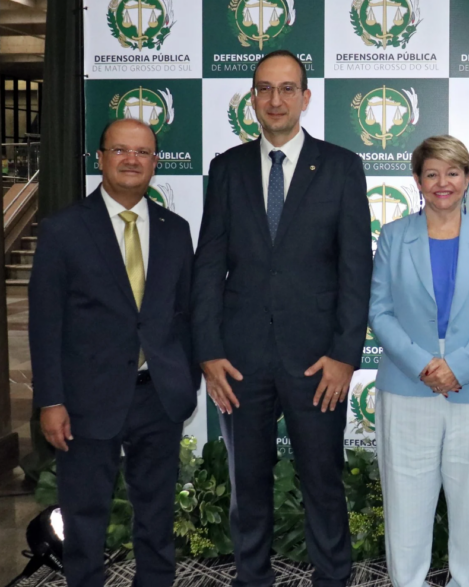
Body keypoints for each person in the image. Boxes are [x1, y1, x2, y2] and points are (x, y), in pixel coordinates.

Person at [191, 49, 372, 586]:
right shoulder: (226, 169)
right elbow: (208, 266)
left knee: (322, 479)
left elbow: (355, 270)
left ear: (306, 98)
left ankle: (332, 578)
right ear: (252, 99)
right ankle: (253, 579)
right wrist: (208, 351)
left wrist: (344, 356)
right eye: (265, 89)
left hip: (318, 361)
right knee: (247, 483)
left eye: (287, 88)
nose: (276, 99)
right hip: (239, 359)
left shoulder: (341, 167)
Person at [29, 118, 199, 587]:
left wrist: (185, 380)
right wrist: (51, 400)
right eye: (120, 150)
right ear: (100, 158)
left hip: (158, 397)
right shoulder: (63, 230)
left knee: (157, 519)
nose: (131, 160)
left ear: (154, 162)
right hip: (85, 401)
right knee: (84, 523)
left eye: (142, 152)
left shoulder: (175, 230)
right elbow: (45, 324)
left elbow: (184, 314)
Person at [369, 134, 469, 587]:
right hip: (407, 386)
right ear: (416, 180)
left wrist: (459, 365)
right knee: (406, 506)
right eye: (431, 173)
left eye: (452, 173)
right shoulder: (394, 237)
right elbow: (379, 310)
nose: (442, 183)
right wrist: (425, 364)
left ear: (468, 179)